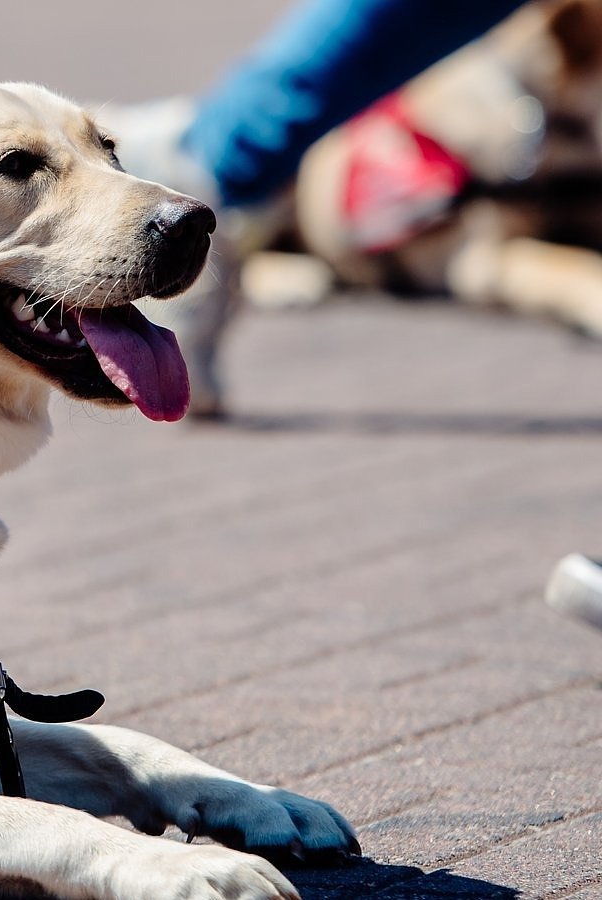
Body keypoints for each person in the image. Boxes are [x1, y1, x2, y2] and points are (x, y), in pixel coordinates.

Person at [108, 0, 600, 630]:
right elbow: (485, 262)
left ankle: (212, 154)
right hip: (323, 204)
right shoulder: (499, 108)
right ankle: (209, 161)